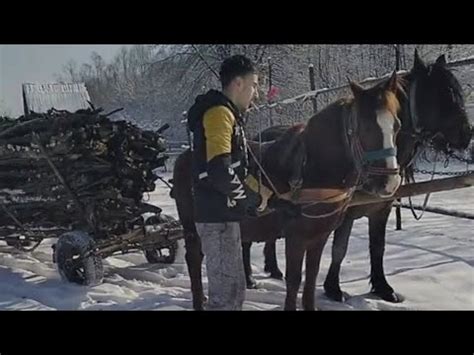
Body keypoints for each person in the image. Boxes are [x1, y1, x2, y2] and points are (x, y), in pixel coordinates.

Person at [187, 54, 300, 310]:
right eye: (254, 85)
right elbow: (219, 170)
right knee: (225, 298)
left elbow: (238, 172)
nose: (256, 93)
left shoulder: (229, 115)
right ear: (238, 84)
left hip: (224, 217)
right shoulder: (219, 114)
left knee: (235, 292)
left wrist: (271, 199)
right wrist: (251, 199)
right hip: (216, 219)